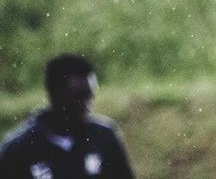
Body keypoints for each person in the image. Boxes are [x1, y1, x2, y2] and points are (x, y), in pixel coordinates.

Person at [0, 54, 134, 178]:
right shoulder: (18, 149)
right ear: (54, 94)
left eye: (89, 96)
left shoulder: (104, 138)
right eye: (79, 97)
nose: (86, 104)